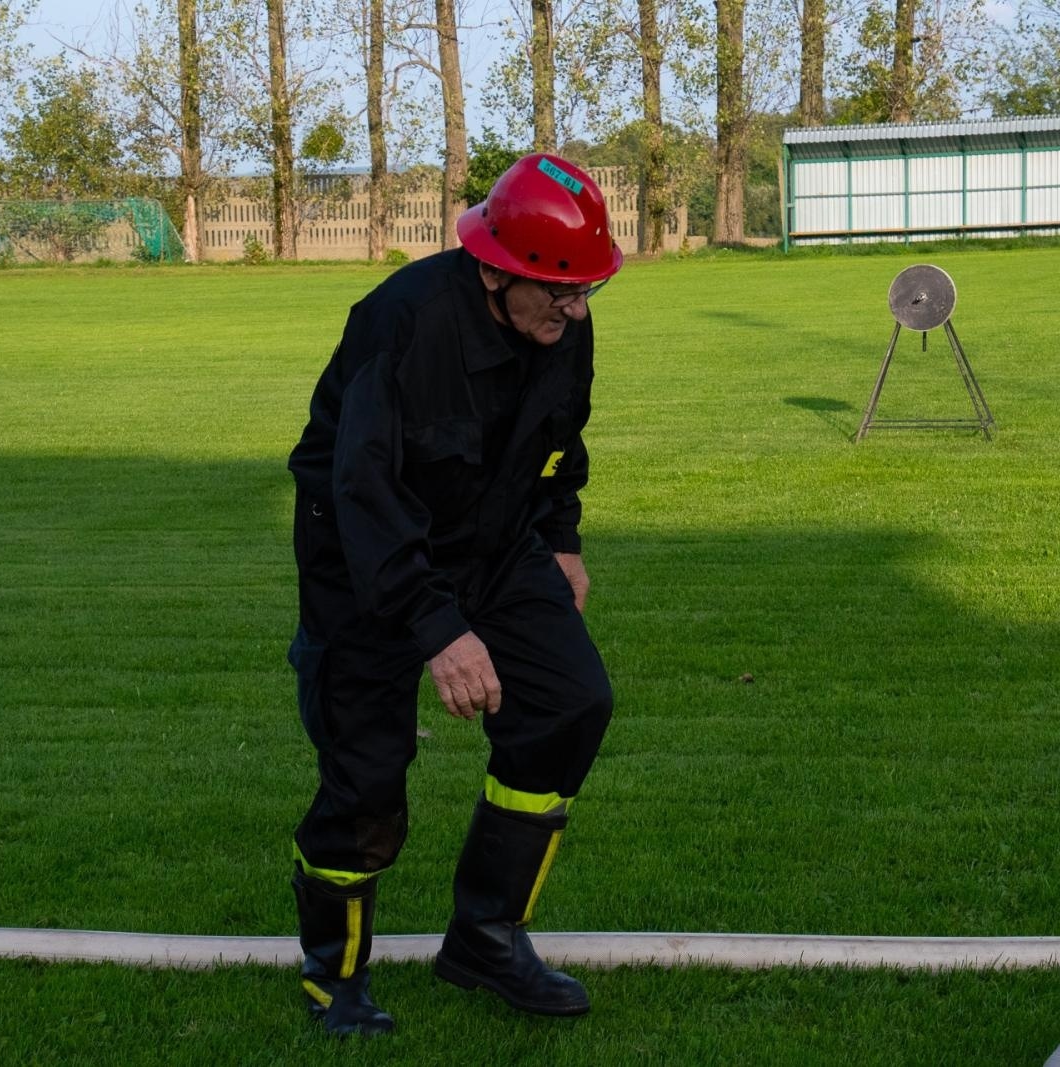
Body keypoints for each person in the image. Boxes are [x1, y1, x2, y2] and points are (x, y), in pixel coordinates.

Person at [284, 152, 623, 1036]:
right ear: (496, 268)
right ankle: (336, 977)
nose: (578, 311)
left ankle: (485, 936)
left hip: (498, 539)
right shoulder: (400, 326)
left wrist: (560, 536)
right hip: (364, 560)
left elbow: (560, 436)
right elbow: (366, 492)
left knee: (568, 702)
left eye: (588, 291)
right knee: (366, 777)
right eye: (561, 293)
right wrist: (439, 629)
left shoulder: (561, 319)